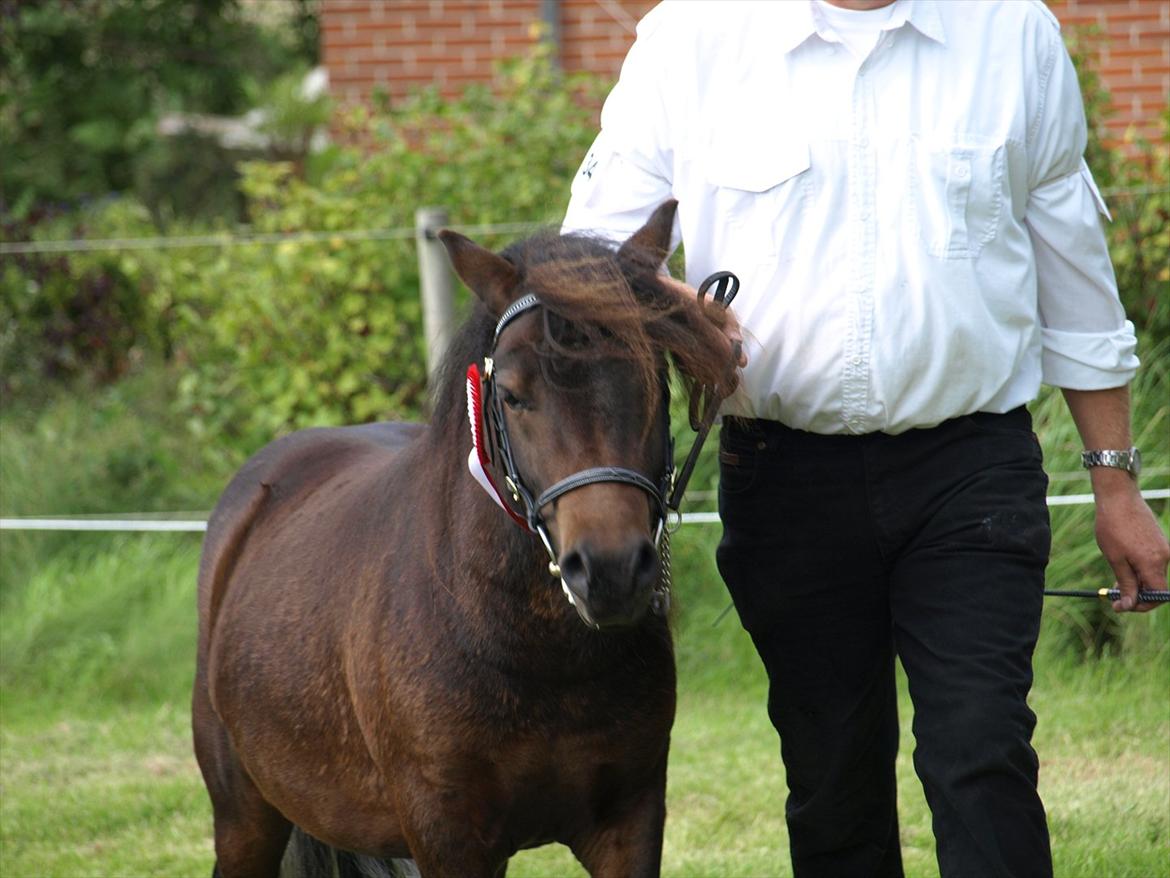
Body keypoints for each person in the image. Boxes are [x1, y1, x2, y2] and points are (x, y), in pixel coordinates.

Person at [561, 1, 1169, 875]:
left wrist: (1116, 485)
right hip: (783, 474)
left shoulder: (1012, 32)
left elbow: (1075, 275)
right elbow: (589, 259)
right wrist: (680, 307)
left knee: (983, 749)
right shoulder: (690, 37)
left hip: (972, 470)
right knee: (832, 777)